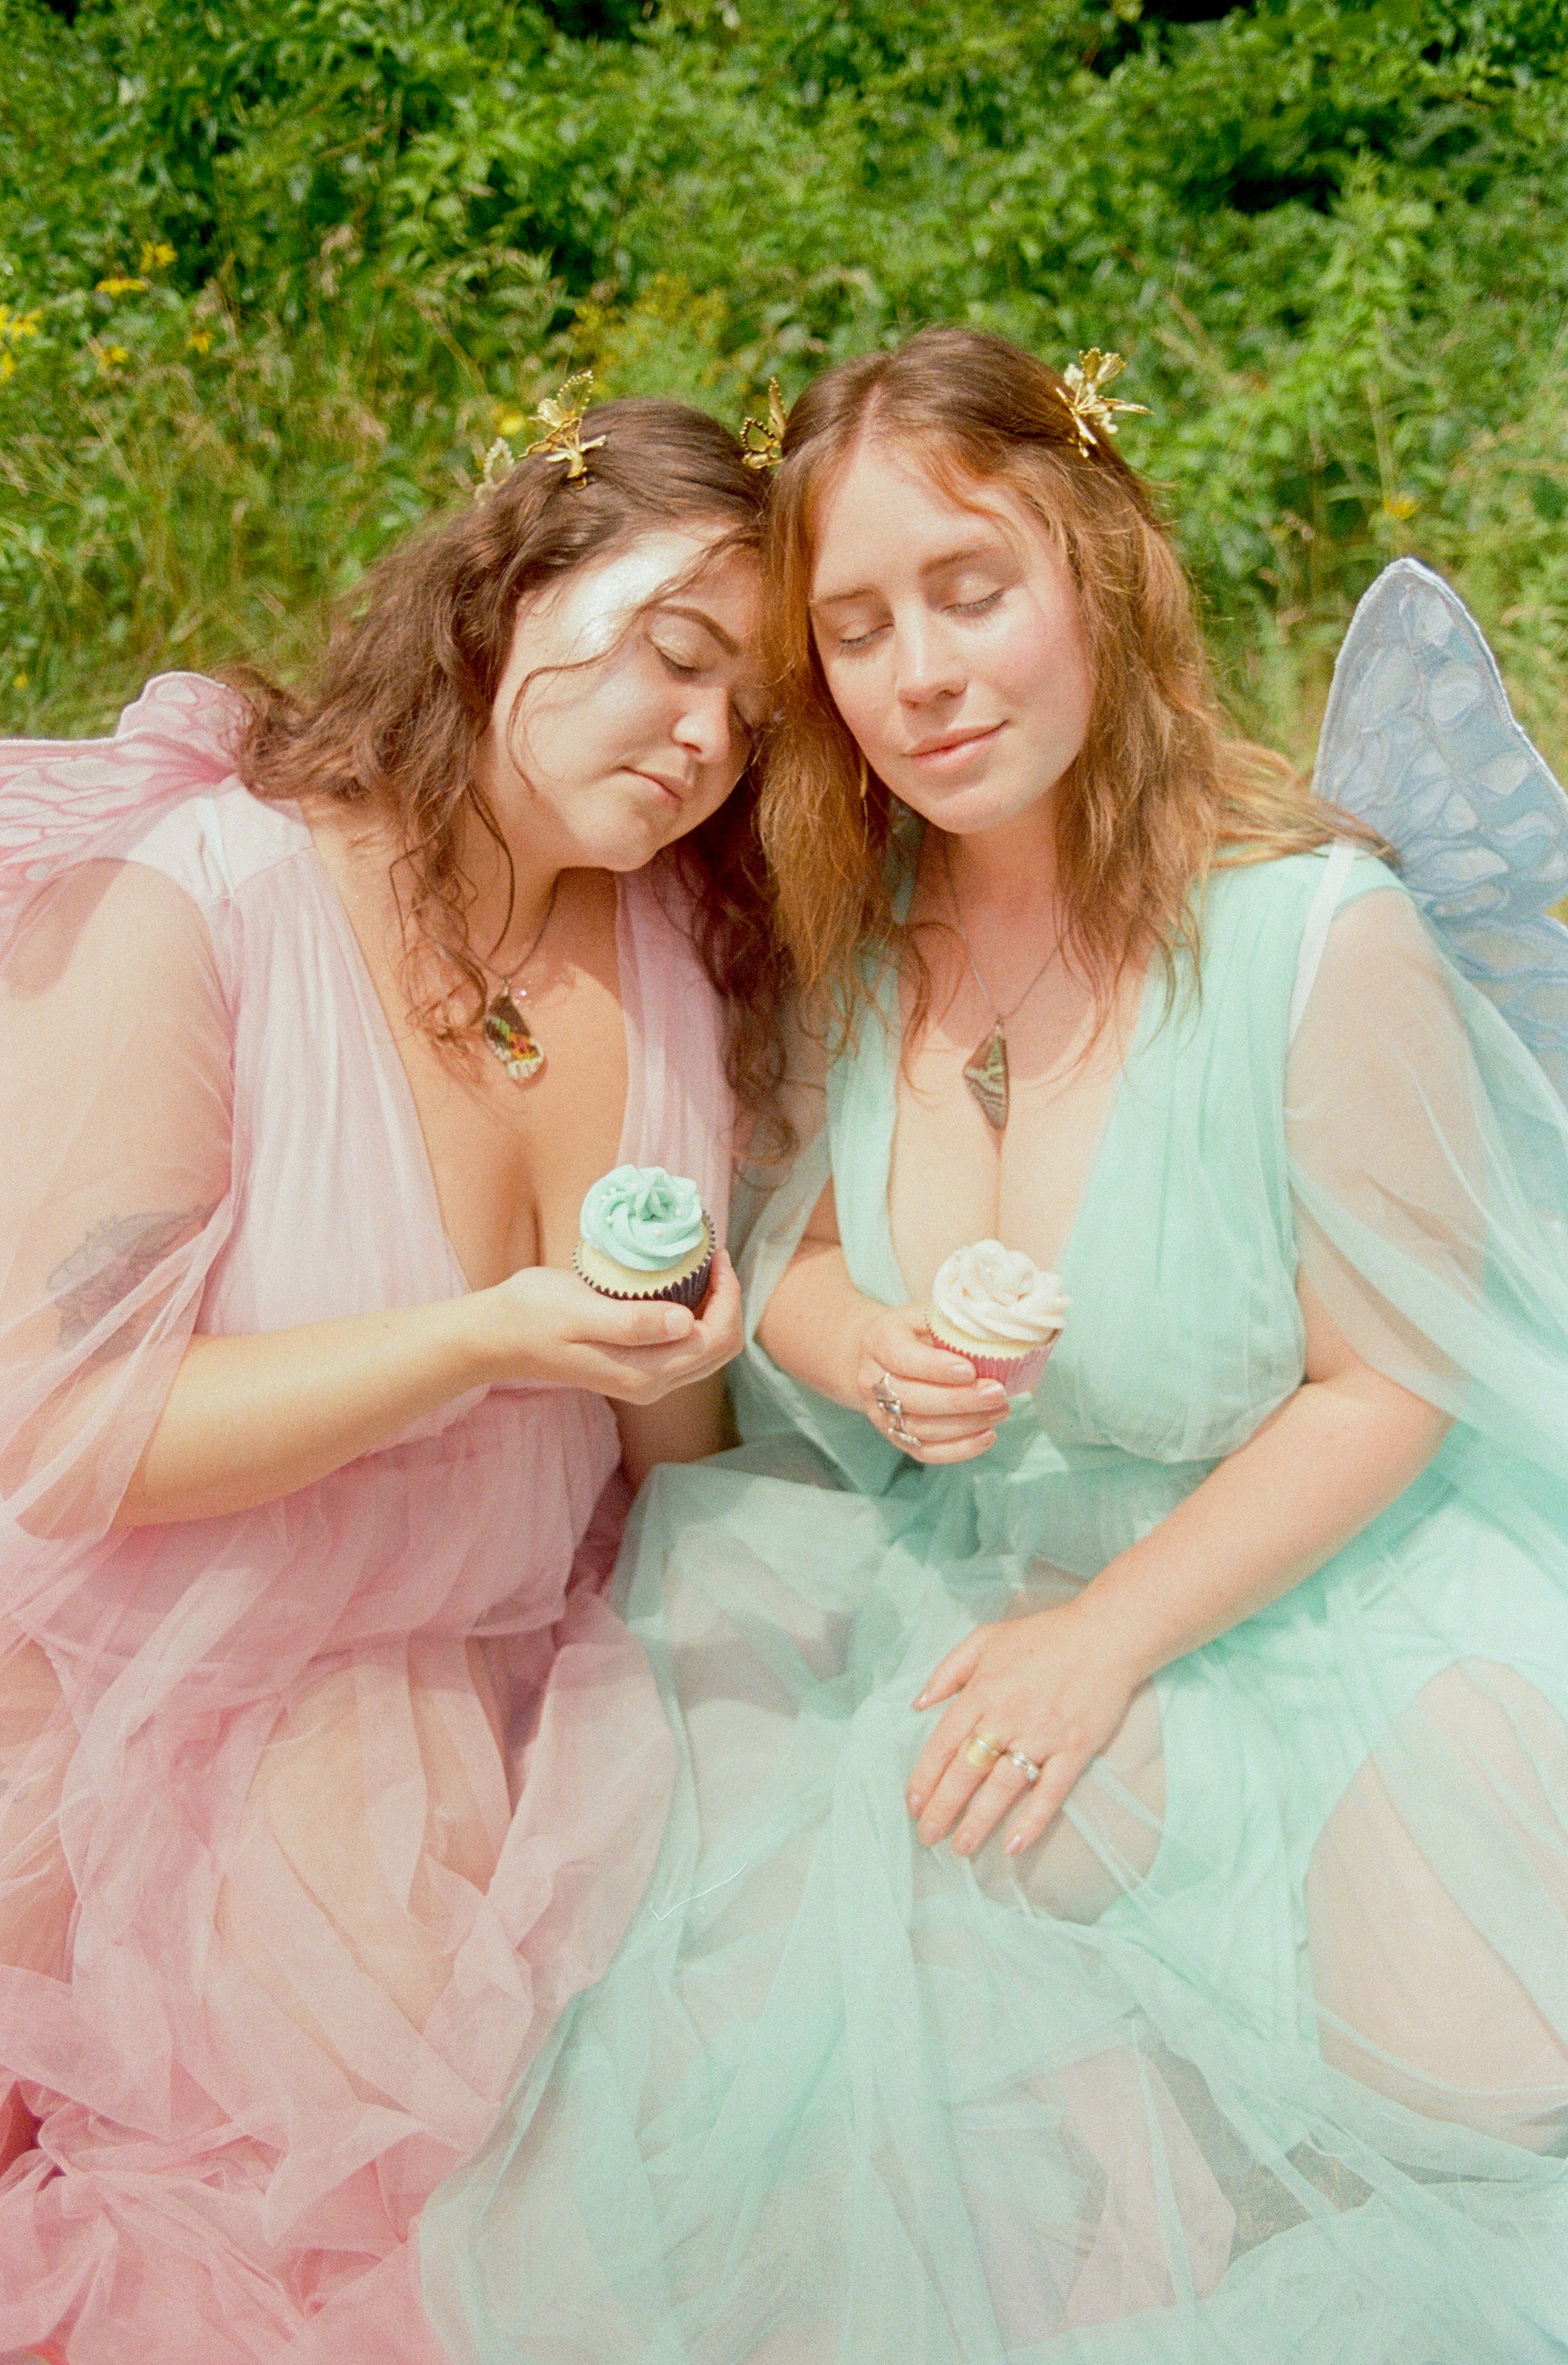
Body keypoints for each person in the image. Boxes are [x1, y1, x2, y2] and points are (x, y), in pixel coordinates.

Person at [422, 329, 1568, 2363]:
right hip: (952, 1578)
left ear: (1096, 574)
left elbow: (1391, 1382)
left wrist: (1103, 1638)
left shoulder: (1316, 932)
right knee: (825, 2088)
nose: (921, 675)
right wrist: (864, 1346)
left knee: (1447, 2107)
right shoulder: (861, 933)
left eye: (970, 590)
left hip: (1303, 1593)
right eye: (858, 629)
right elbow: (799, 1252)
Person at [0, 391, 782, 2361]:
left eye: (755, 712)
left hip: (533, 1697)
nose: (706, 736)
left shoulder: (675, 947)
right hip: (184, 1702)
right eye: (678, 653)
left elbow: (669, 1462)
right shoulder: (209, 892)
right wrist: (483, 1336)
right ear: (511, 589)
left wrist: (683, 1355)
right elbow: (67, 1437)